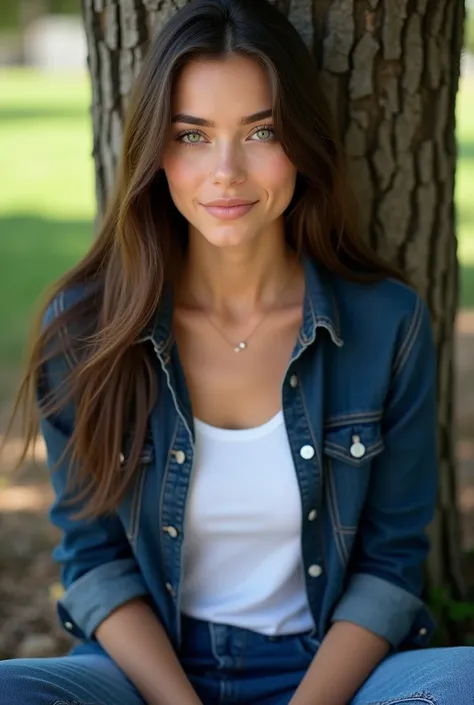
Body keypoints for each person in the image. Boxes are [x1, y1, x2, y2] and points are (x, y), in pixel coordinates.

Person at [1, 0, 473, 703]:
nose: (226, 170)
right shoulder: (88, 329)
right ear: (156, 149)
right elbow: (94, 558)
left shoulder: (386, 323)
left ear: (304, 143)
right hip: (146, 676)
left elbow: (388, 561)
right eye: (193, 136)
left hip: (331, 673)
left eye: (262, 132)